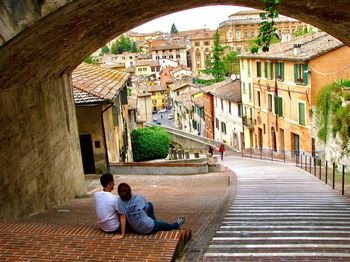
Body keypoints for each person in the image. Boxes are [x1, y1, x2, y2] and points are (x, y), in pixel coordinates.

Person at [117, 183, 185, 235]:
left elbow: (123, 217)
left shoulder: (119, 202)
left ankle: (154, 223)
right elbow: (145, 211)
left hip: (135, 229)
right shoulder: (139, 198)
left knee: (149, 205)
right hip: (149, 227)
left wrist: (122, 234)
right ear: (130, 191)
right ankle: (176, 225)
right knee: (162, 223)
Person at [94, 173, 126, 239]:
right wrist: (122, 235)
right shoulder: (114, 198)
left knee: (114, 209)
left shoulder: (96, 195)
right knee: (126, 211)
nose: (114, 184)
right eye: (113, 182)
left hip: (102, 227)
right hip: (113, 228)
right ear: (110, 183)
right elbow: (122, 216)